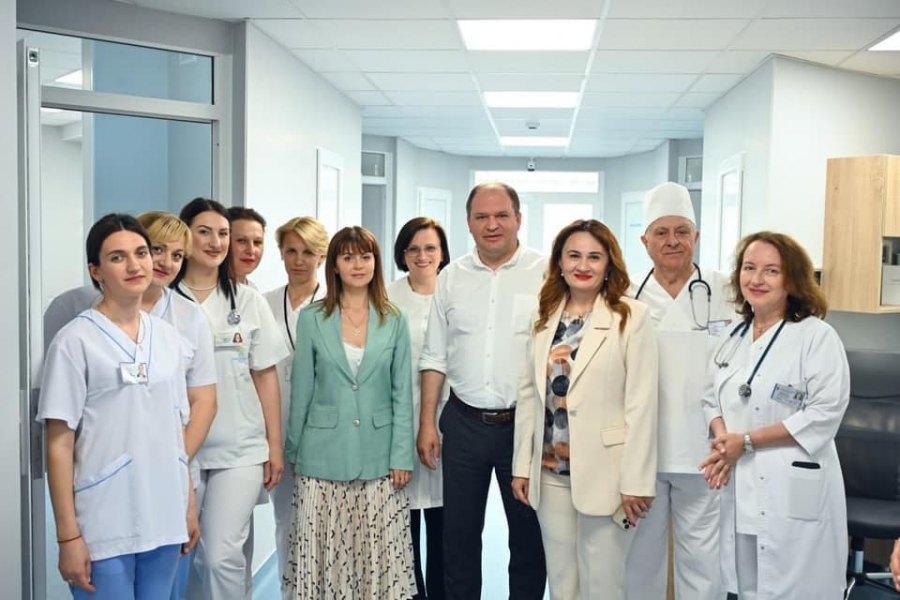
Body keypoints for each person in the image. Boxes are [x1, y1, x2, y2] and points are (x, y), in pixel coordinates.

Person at [38, 213, 198, 599]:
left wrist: (188, 504)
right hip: (104, 519)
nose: (134, 265)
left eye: (141, 253)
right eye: (117, 257)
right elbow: (59, 442)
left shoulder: (168, 338)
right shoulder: (75, 341)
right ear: (96, 271)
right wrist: (67, 536)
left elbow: (175, 431)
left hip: (164, 514)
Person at [511, 219, 658, 599]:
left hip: (608, 472)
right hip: (551, 471)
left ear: (609, 264)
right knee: (563, 584)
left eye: (594, 257)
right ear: (559, 262)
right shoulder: (543, 315)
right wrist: (522, 465)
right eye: (574, 255)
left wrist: (636, 482)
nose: (583, 265)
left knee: (603, 586)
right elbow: (528, 394)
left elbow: (642, 404)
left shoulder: (631, 317)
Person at [700, 231, 850, 600]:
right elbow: (709, 397)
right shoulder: (733, 335)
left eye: (771, 271)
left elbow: (824, 412)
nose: (756, 279)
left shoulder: (816, 336)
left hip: (791, 481)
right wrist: (724, 441)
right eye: (749, 268)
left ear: (792, 279)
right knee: (749, 585)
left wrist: (746, 442)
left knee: (796, 585)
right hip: (740, 479)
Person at [418, 182, 547, 599]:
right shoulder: (451, 278)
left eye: (501, 215)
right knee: (458, 538)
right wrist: (427, 424)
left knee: (528, 539)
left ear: (518, 219)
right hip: (463, 423)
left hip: (523, 427)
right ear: (469, 223)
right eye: (482, 217)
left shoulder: (545, 273)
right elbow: (434, 356)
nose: (492, 225)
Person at [283, 226, 416, 599]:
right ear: (334, 266)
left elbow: (402, 394)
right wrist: (293, 451)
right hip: (320, 455)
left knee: (375, 558)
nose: (358, 265)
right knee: (324, 557)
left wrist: (401, 456)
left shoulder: (394, 318)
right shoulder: (312, 318)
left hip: (379, 457)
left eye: (365, 256)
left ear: (376, 262)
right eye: (348, 257)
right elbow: (302, 390)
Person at [177, 198, 289, 600]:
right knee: (186, 554)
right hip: (180, 449)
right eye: (204, 232)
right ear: (184, 235)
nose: (216, 242)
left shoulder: (246, 300)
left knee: (220, 555)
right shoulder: (163, 299)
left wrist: (274, 445)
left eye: (223, 233)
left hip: (240, 446)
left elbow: (265, 375)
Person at [624, 182, 732, 600]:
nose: (673, 241)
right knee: (639, 559)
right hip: (644, 450)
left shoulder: (727, 290)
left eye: (682, 231)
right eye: (662, 232)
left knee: (704, 562)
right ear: (645, 241)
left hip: (705, 450)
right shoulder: (624, 294)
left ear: (696, 237)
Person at [132, 211, 218, 600]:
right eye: (157, 250)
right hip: (114, 471)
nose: (166, 262)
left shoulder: (189, 316)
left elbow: (204, 401)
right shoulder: (93, 316)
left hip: (175, 469)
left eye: (178, 255)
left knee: (167, 585)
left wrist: (174, 459)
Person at [387, 217, 451, 600]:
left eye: (430, 248)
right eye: (413, 249)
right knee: (403, 527)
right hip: (400, 419)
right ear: (402, 254)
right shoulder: (388, 297)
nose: (422, 256)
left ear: (442, 253)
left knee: (447, 528)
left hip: (451, 421)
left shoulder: (456, 291)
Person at [262, 216, 329, 583]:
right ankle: (291, 590)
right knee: (285, 519)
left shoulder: (335, 303)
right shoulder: (264, 303)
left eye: (308, 252)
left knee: (325, 522)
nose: (299, 260)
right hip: (278, 426)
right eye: (291, 251)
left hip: (324, 429)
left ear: (322, 256)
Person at [227, 207, 266, 287]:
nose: (251, 251)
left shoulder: (252, 289)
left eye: (257, 242)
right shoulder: (205, 289)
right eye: (242, 241)